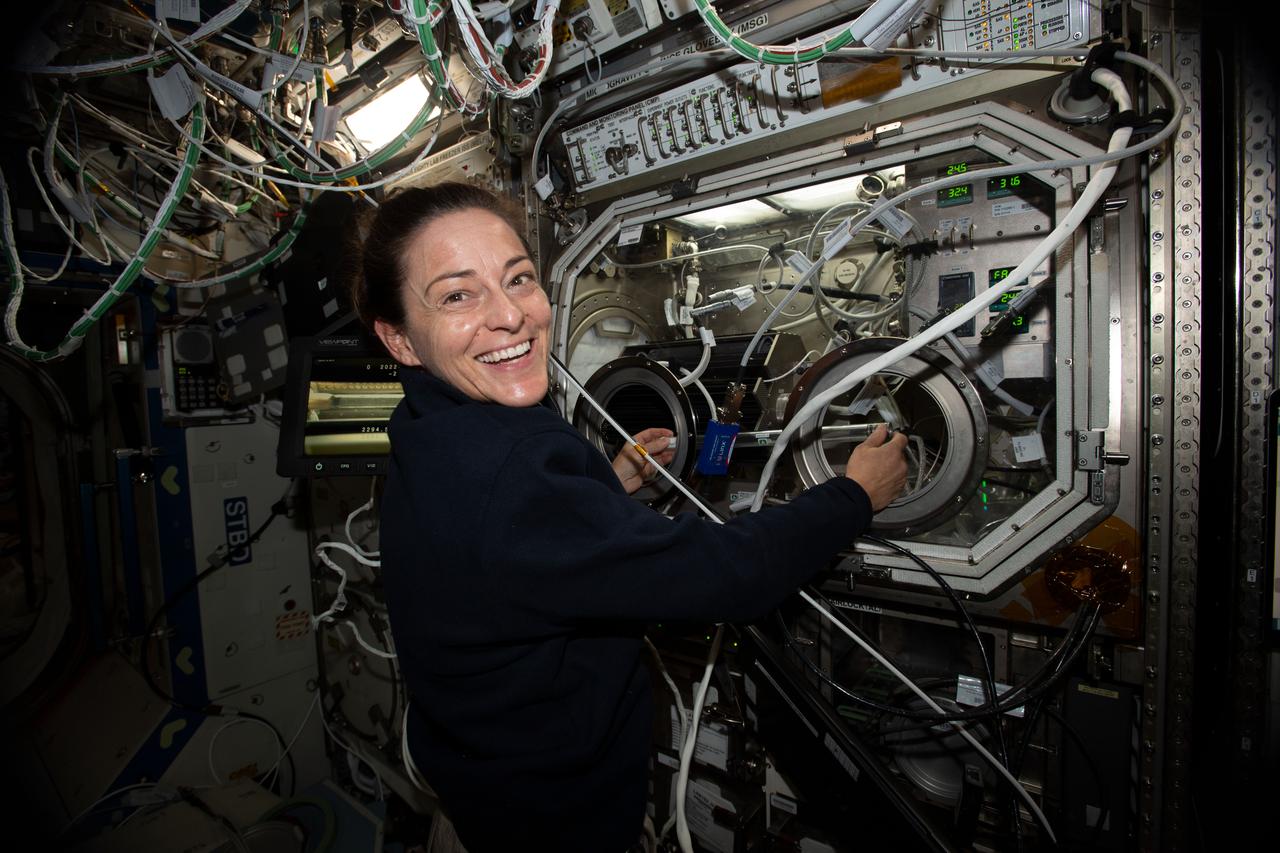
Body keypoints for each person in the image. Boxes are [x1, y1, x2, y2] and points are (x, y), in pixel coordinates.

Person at [350, 182, 909, 852]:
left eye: (518, 278)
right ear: (399, 339)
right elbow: (726, 575)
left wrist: (603, 487)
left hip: (479, 803)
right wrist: (854, 494)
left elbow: (506, 548)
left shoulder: (425, 429)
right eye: (457, 296)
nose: (510, 316)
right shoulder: (511, 466)